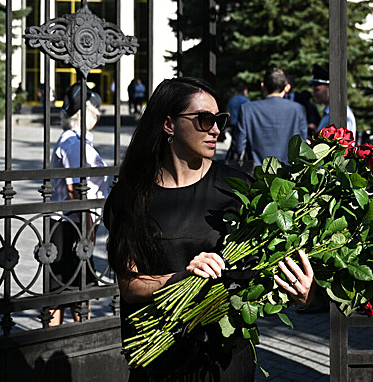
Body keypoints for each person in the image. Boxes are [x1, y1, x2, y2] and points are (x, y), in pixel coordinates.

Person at [104, 77, 314, 381]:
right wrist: (181, 278)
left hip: (224, 362)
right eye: (204, 120)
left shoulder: (239, 190)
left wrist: (302, 293)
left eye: (219, 120)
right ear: (169, 124)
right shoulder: (131, 196)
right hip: (159, 361)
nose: (216, 129)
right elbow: (130, 285)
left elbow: (271, 270)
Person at [48, 82, 108, 326]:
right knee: (65, 288)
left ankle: (76, 334)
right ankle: (60, 337)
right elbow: (76, 190)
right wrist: (88, 226)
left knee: (75, 287)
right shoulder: (74, 144)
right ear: (87, 115)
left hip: (71, 220)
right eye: (95, 112)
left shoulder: (77, 141)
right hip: (70, 224)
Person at [231, 67, 307, 165]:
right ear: (286, 87)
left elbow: (239, 145)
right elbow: (302, 143)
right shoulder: (298, 109)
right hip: (289, 174)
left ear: (263, 86)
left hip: (256, 172)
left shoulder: (247, 109)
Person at [310, 63, 357, 136]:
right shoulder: (329, 112)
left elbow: (343, 144)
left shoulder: (340, 113)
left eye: (317, 90)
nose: (314, 94)